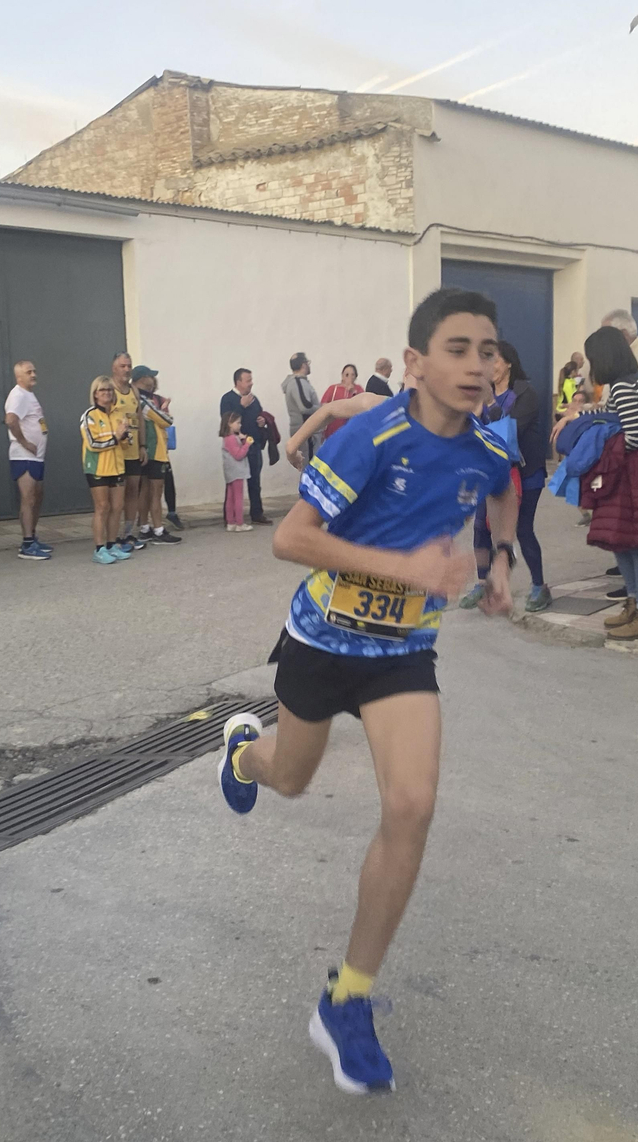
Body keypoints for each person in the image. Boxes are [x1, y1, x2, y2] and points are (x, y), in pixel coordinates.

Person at [217, 287, 517, 1095]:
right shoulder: (372, 437)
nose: (477, 365)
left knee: (412, 806)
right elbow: (292, 538)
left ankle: (346, 1000)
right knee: (290, 777)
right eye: (458, 349)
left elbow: (503, 489)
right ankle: (243, 755)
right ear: (415, 363)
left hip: (402, 654)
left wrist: (500, 561)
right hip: (322, 642)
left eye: (487, 350)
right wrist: (405, 567)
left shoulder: (484, 447)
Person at [574, 327, 638, 640]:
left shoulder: (623, 387)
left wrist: (604, 459)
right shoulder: (631, 381)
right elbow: (615, 416)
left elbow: (633, 436)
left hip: (631, 475)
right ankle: (634, 605)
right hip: (632, 473)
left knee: (636, 544)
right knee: (621, 541)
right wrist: (586, 412)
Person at [459, 340, 550, 611]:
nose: (489, 366)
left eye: (494, 360)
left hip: (525, 472)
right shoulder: (479, 395)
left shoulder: (524, 394)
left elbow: (509, 433)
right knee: (481, 528)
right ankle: (482, 583)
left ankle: (539, 586)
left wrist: (489, 403)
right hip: (490, 472)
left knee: (522, 529)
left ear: (509, 363)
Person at [4, 360, 53, 561]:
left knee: (37, 496)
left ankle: (32, 536)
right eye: (28, 372)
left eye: (34, 371)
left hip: (36, 457)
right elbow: (11, 420)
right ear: (19, 377)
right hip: (24, 456)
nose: (33, 374)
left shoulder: (28, 394)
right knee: (28, 497)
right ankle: (26, 544)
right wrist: (24, 442)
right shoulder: (18, 395)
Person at [83, 375, 132, 564]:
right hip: (98, 468)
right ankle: (99, 548)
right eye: (102, 390)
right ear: (95, 394)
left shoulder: (119, 414)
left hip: (117, 467)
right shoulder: (90, 416)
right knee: (102, 507)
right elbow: (93, 444)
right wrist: (116, 438)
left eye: (109, 390)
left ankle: (112, 545)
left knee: (117, 507)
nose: (107, 393)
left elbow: (126, 444)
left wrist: (126, 436)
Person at [132, 366, 182, 544]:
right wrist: (165, 410)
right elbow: (167, 420)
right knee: (155, 492)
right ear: (141, 379)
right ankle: (159, 530)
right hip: (154, 451)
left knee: (144, 491)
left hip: (145, 451)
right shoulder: (144, 401)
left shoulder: (135, 398)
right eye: (150, 377)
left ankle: (145, 528)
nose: (153, 380)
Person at [220, 369, 273, 524]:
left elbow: (259, 414)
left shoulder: (253, 399)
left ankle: (257, 513)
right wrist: (240, 406)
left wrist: (262, 421)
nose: (251, 383)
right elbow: (227, 422)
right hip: (235, 447)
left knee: (255, 481)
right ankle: (230, 517)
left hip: (253, 445)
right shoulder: (228, 399)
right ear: (238, 382)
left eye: (251, 380)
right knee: (234, 483)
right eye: (248, 380)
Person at [108, 353, 146, 553]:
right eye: (122, 366)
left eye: (129, 366)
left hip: (133, 451)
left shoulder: (133, 391)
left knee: (133, 491)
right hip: (115, 452)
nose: (127, 370)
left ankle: (129, 533)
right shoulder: (109, 389)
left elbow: (140, 419)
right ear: (114, 368)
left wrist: (142, 445)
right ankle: (112, 537)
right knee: (116, 496)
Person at [281, 352, 320, 458]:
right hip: (306, 432)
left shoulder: (298, 382)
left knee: (307, 463)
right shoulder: (298, 382)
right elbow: (305, 407)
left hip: (304, 431)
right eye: (307, 362)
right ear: (303, 365)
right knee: (309, 463)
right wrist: (322, 409)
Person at [220, 411, 254, 530]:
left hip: (230, 472)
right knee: (238, 497)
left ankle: (231, 522)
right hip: (237, 471)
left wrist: (242, 440)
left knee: (230, 497)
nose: (240, 425)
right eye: (238, 423)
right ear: (230, 423)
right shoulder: (231, 439)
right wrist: (247, 444)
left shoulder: (227, 438)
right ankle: (239, 523)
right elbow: (238, 455)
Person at [320, 364, 364, 439]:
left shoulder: (359, 389)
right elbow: (323, 405)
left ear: (355, 377)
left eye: (352, 375)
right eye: (347, 375)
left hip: (352, 428)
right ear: (342, 376)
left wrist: (352, 392)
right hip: (334, 426)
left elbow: (362, 405)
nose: (349, 377)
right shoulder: (333, 388)